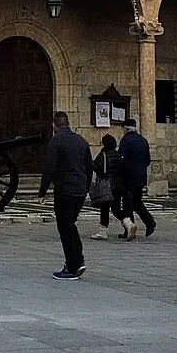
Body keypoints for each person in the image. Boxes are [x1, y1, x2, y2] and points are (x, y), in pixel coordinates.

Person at [46, 111, 91, 279]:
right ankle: (78, 260)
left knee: (65, 227)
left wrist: (42, 191)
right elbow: (89, 167)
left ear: (54, 125)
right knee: (71, 224)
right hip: (79, 190)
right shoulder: (82, 141)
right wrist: (85, 188)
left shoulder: (56, 142)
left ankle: (72, 267)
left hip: (65, 190)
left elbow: (50, 167)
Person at [116, 117, 155, 240]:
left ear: (126, 129)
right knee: (137, 202)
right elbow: (148, 160)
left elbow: (122, 159)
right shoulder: (143, 140)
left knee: (127, 203)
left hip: (128, 177)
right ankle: (149, 222)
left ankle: (129, 229)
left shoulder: (126, 141)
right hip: (141, 177)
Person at [90, 134, 122, 240]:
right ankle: (128, 223)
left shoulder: (103, 154)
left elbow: (96, 166)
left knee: (104, 208)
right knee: (116, 208)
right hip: (118, 184)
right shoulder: (118, 155)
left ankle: (103, 231)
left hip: (106, 184)